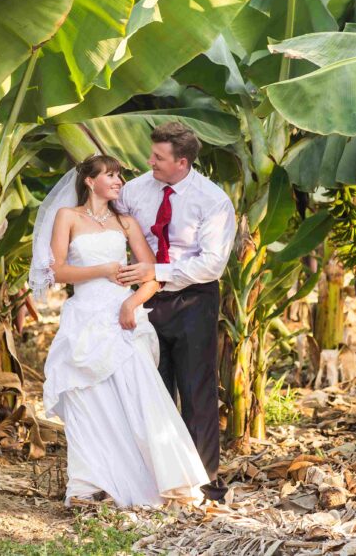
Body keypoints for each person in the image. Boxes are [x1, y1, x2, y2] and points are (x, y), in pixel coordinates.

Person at [30, 154, 209, 507]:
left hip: (121, 316)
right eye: (110, 175)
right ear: (88, 181)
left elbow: (152, 273)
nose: (118, 181)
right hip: (85, 315)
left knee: (140, 397)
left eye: (119, 176)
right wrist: (102, 269)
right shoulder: (68, 217)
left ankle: (166, 479)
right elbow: (58, 272)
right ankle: (86, 485)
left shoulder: (126, 223)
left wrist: (132, 303)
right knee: (87, 402)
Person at [114, 122, 236, 501]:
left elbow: (212, 264)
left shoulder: (212, 200)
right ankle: (158, 479)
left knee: (197, 390)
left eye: (159, 158)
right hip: (144, 299)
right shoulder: (135, 191)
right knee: (154, 389)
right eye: (151, 154)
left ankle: (203, 481)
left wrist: (158, 272)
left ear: (182, 162)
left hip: (193, 300)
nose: (150, 162)